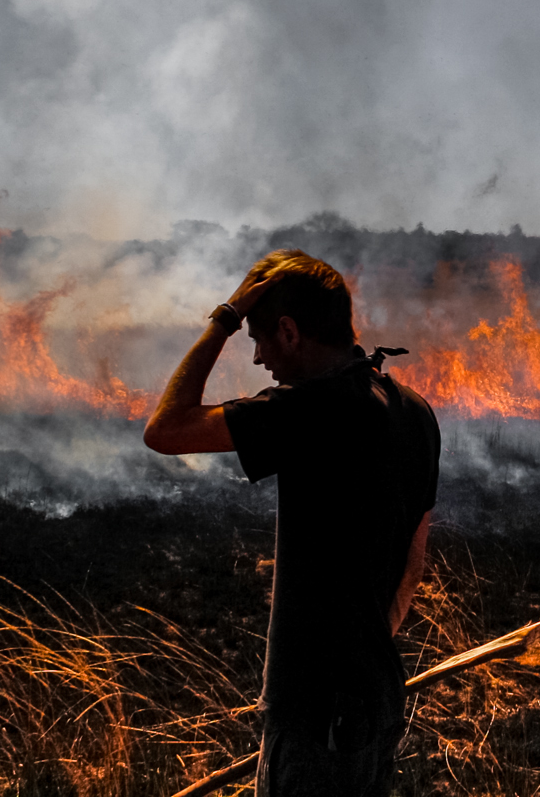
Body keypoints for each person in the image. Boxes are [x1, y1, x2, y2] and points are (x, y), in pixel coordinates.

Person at [143, 249, 440, 797]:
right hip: (375, 701)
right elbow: (413, 559)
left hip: (315, 721)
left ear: (289, 331)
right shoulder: (412, 409)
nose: (257, 358)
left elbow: (166, 429)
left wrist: (225, 316)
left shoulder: (309, 410)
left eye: (257, 339)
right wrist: (365, 654)